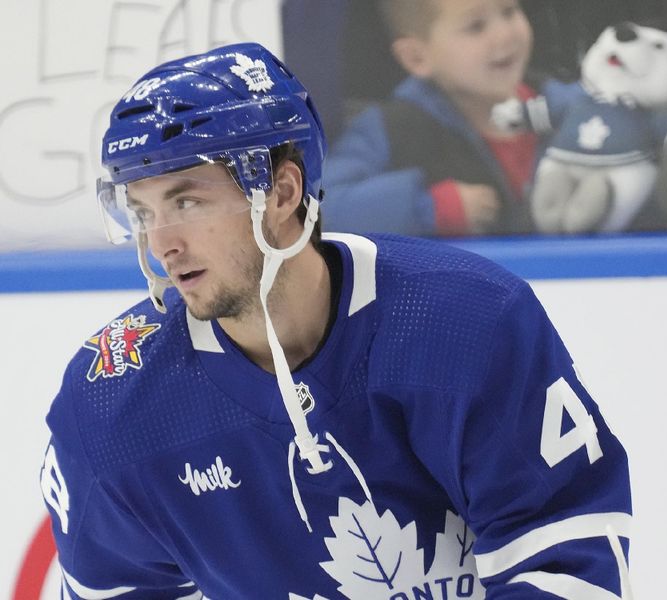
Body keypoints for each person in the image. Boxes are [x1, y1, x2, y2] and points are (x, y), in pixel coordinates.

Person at [39, 42, 633, 599]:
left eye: (186, 202)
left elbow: (564, 553)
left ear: (280, 192)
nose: (160, 242)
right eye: (141, 211)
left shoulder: (465, 321)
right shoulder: (112, 402)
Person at [322, 0, 546, 237]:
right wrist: (432, 208)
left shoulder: (567, 108)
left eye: (509, 11)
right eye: (476, 26)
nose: (504, 34)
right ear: (416, 57)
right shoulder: (393, 129)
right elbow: (320, 207)